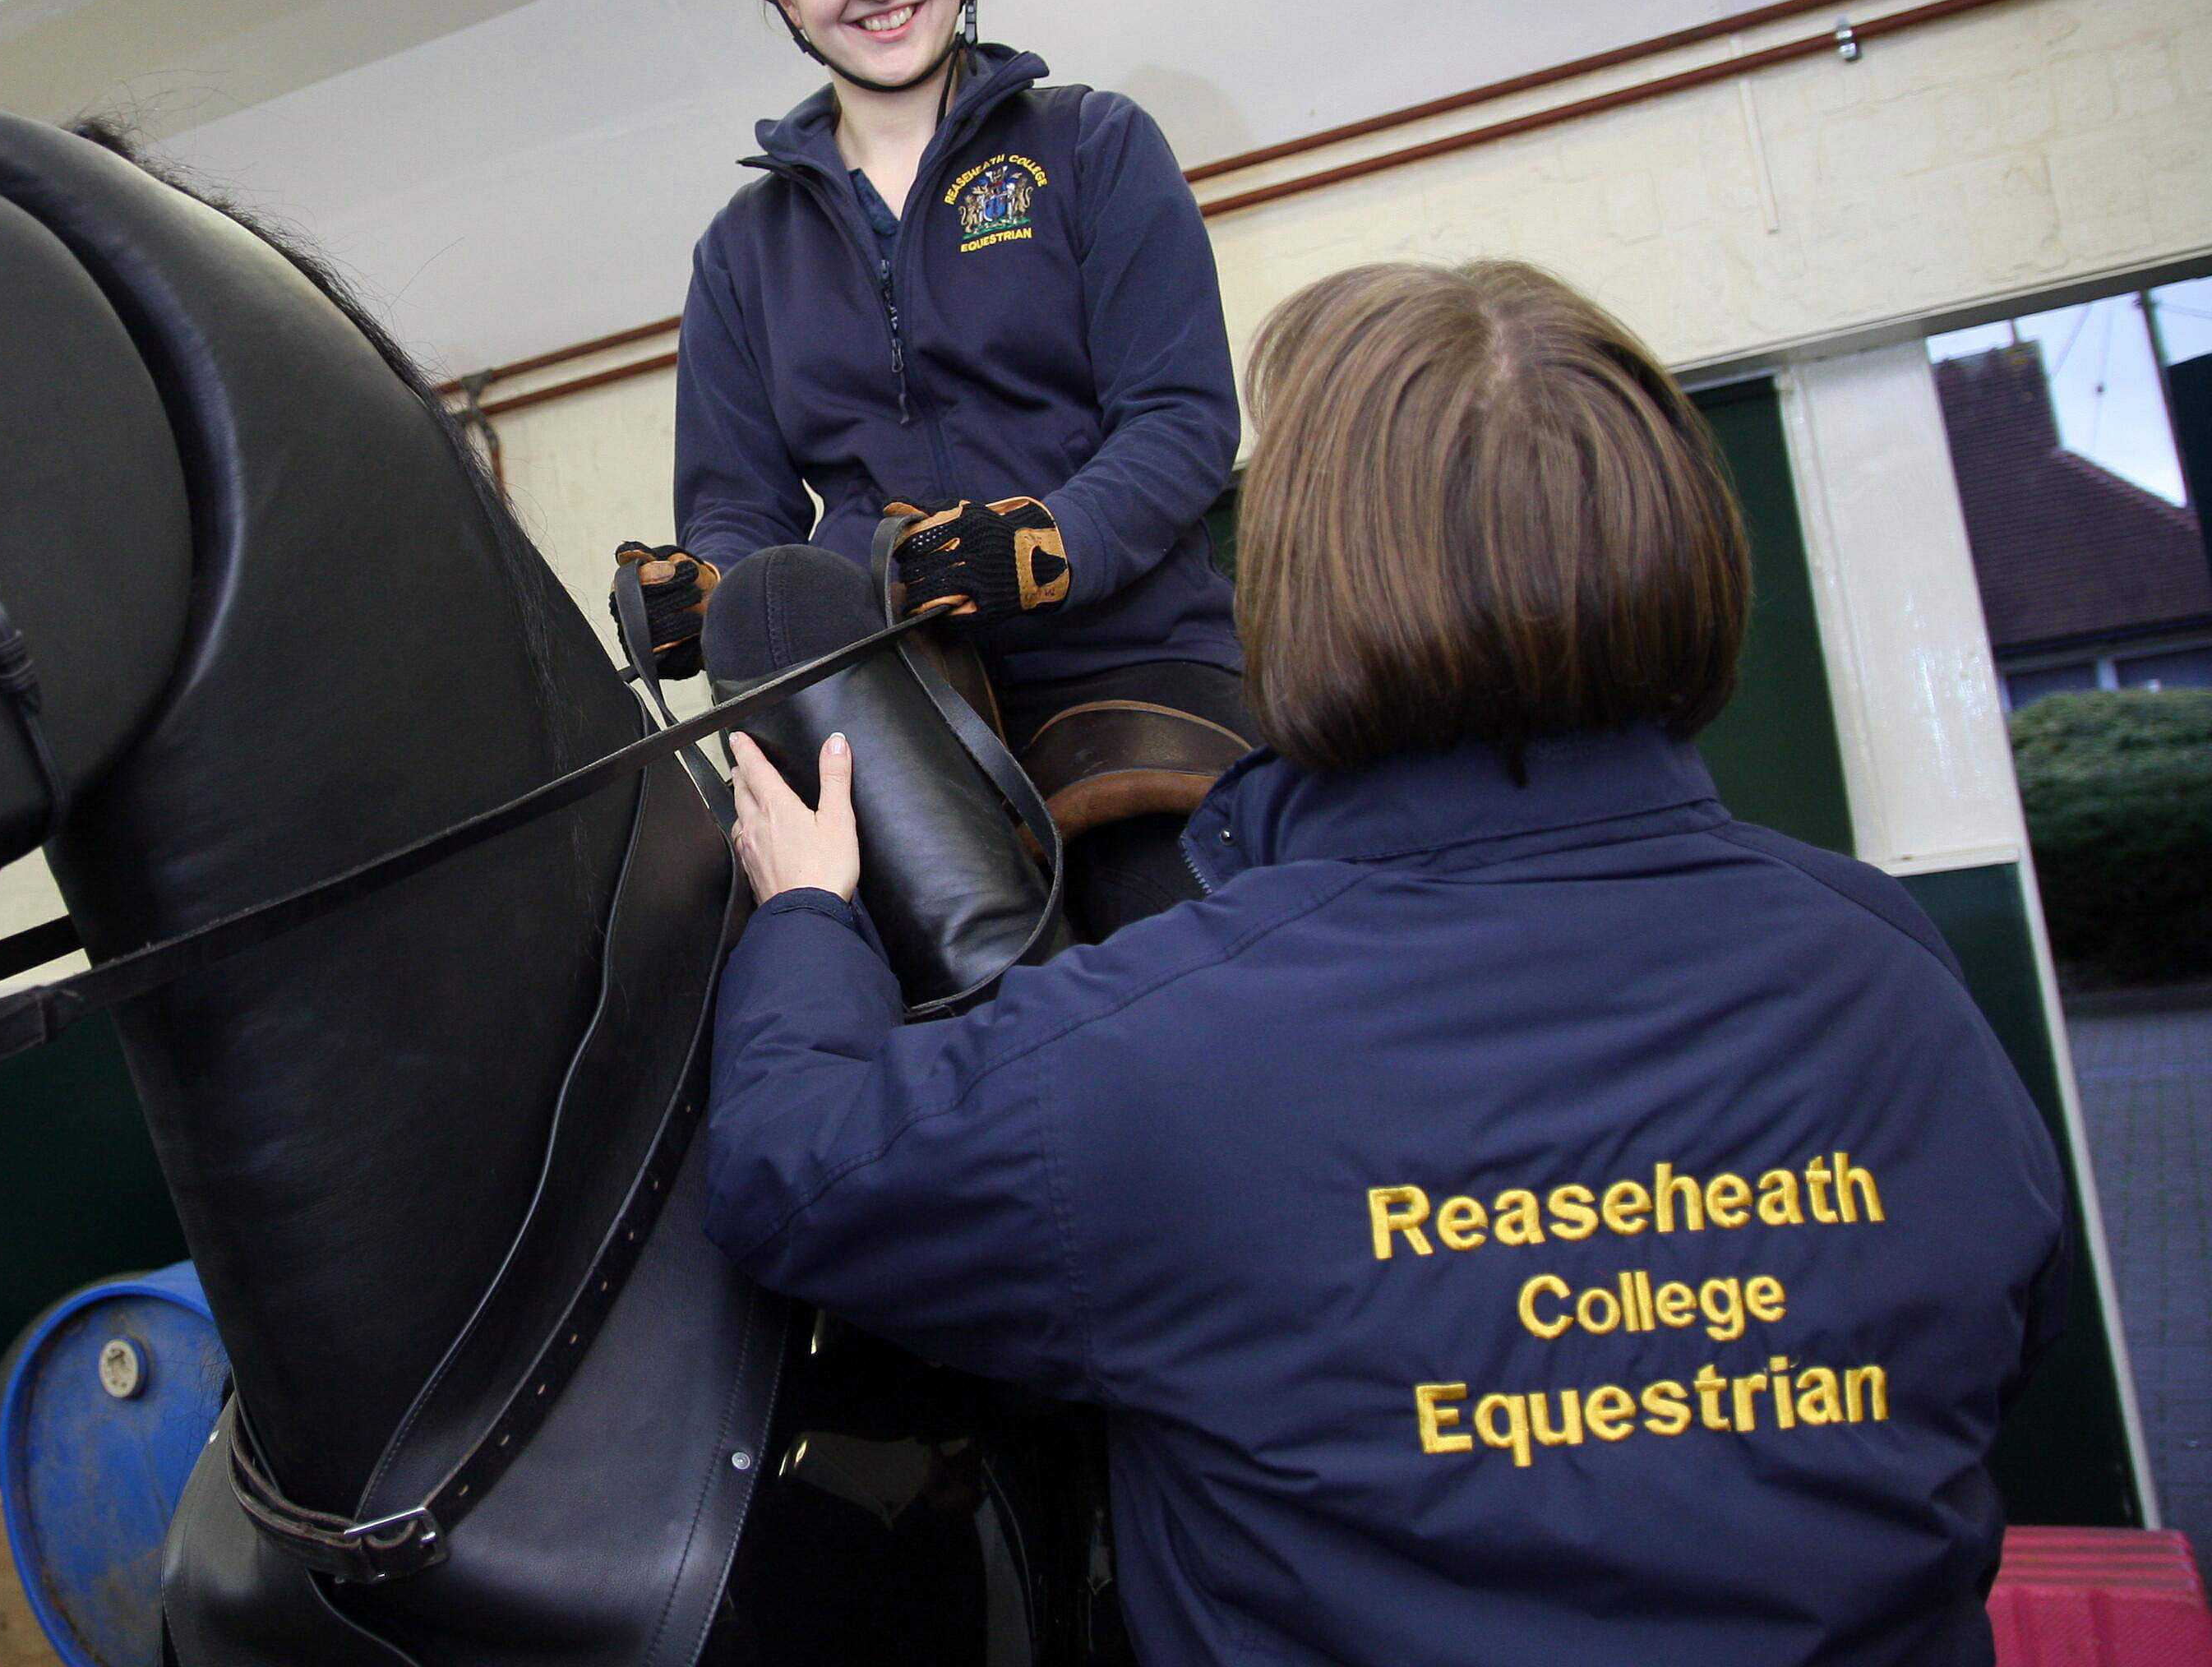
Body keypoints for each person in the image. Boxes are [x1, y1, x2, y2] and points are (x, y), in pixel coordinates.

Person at [702, 260, 2068, 1665]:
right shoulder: (1896, 972)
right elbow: (1993, 1354)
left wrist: (811, 910)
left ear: (1297, 591)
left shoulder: (1175, 1046)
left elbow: (789, 1170)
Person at [614, 0, 1247, 935]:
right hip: (885, 697)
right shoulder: (742, 249)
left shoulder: (1096, 149)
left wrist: (1049, 543)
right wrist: (716, 589)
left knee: (1179, 939)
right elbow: (739, 508)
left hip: (1121, 667)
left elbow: (1181, 423)